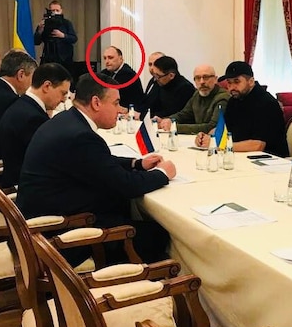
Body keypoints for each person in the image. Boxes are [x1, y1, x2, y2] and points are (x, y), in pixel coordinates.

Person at [16, 73, 176, 264]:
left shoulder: (68, 121)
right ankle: (140, 285)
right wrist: (163, 173)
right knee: (158, 233)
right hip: (60, 237)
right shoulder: (81, 136)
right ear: (96, 103)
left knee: (126, 210)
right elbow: (126, 185)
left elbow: (99, 162)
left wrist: (137, 163)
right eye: (116, 103)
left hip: (43, 220)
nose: (120, 110)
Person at [0, 63, 72, 187]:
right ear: (47, 86)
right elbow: (49, 159)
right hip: (24, 187)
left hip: (15, 176)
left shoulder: (23, 105)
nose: (64, 99)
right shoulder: (32, 118)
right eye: (62, 93)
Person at [194, 61, 289, 157]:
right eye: (229, 83)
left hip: (270, 160)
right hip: (241, 156)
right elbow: (224, 128)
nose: (232, 87)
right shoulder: (234, 100)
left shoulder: (267, 103)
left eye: (237, 81)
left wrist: (219, 145)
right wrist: (205, 137)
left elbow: (258, 145)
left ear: (251, 82)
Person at [158, 64, 230, 134]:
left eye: (206, 77)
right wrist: (167, 120)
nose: (202, 82)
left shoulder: (223, 98)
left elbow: (213, 126)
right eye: (198, 78)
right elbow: (184, 114)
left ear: (215, 79)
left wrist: (175, 127)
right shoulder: (197, 94)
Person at [100, 45, 144, 114]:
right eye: (105, 58)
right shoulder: (105, 73)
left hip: (130, 113)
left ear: (120, 59)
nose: (107, 61)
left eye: (110, 58)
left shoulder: (128, 74)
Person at [33, 0, 77, 68]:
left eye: (57, 10)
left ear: (61, 11)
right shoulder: (44, 23)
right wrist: (40, 30)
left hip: (64, 59)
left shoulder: (66, 23)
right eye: (53, 10)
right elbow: (36, 42)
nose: (55, 12)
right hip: (48, 57)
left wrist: (63, 35)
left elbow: (74, 39)